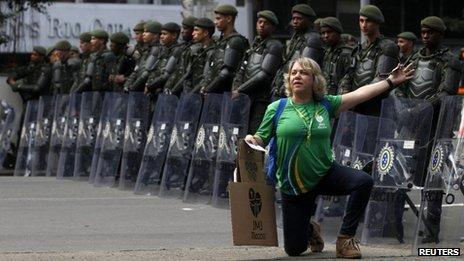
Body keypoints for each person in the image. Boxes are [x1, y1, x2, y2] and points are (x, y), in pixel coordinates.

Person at [245, 57, 414, 258]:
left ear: (315, 80)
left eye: (304, 72)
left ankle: (345, 239)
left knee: (363, 181)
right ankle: (310, 229)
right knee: (294, 250)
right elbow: (261, 138)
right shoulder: (277, 108)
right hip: (293, 184)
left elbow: (360, 94)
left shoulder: (326, 105)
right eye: (293, 72)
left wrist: (390, 82)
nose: (297, 76)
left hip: (325, 173)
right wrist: (251, 140)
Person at [394, 16, 462, 244]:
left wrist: (420, 109)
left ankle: (431, 230)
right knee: (399, 173)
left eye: (430, 32)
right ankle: (392, 225)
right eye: (423, 32)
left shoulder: (450, 61)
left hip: (436, 126)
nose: (425, 36)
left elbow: (447, 92)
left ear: (440, 35)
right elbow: (399, 85)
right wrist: (402, 106)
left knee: (433, 176)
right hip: (411, 125)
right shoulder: (413, 57)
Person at [338, 4, 398, 116]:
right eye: (361, 21)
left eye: (368, 21)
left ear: (377, 23)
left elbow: (382, 79)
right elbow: (348, 76)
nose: (364, 25)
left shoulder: (387, 47)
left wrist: (355, 99)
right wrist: (345, 97)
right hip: (355, 108)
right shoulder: (359, 48)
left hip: (377, 109)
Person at [232, 10, 283, 134]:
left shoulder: (274, 45)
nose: (261, 25)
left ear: (273, 28)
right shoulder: (254, 45)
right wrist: (236, 87)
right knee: (241, 133)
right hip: (246, 97)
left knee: (256, 134)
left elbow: (264, 76)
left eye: (266, 23)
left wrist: (239, 90)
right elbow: (242, 69)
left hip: (261, 98)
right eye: (259, 22)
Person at [270, 3, 324, 99]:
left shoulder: (312, 39)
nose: (295, 21)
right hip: (284, 87)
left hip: (297, 89)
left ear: (308, 20)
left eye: (299, 19)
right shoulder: (296, 38)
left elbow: (304, 66)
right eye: (294, 18)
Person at [196, 4, 249, 94]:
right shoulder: (221, 41)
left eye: (218, 18)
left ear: (228, 19)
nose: (215, 22)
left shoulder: (235, 41)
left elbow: (226, 73)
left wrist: (208, 89)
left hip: (225, 95)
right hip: (216, 95)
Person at [145, 22, 183, 95]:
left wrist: (149, 86)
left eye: (164, 34)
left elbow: (166, 75)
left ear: (174, 35)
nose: (161, 36)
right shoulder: (163, 51)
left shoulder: (177, 51)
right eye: (161, 34)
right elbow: (156, 70)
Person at [180, 18, 216, 94]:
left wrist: (191, 94)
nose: (193, 33)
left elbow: (206, 78)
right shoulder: (198, 51)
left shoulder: (213, 51)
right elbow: (188, 74)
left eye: (196, 30)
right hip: (194, 96)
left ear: (206, 33)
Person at [124, 20, 162, 92]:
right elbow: (137, 69)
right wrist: (127, 85)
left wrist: (133, 87)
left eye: (146, 32)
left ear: (156, 35)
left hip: (145, 90)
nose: (143, 34)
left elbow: (146, 73)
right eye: (144, 32)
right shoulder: (147, 50)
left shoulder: (156, 50)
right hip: (138, 90)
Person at [319, 17, 352, 95]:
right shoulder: (328, 52)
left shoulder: (347, 53)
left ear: (338, 32)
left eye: (329, 32)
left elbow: (349, 80)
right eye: (323, 33)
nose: (326, 36)